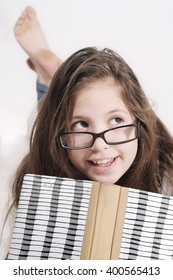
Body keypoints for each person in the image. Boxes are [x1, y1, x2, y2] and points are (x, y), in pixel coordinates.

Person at [2, 6, 173, 259]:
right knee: (56, 120)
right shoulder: (37, 180)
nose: (100, 146)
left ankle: (53, 73)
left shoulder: (163, 167)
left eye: (116, 120)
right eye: (82, 124)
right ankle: (54, 78)